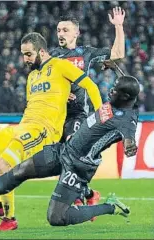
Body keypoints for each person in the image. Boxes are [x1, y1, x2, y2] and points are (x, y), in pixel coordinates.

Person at [0, 75, 139, 227]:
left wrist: (129, 145)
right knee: (18, 171)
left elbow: (129, 137)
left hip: (79, 166)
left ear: (126, 96)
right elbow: (125, 86)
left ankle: (110, 206)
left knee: (56, 218)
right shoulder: (120, 100)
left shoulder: (126, 120)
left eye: (115, 90)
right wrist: (114, 68)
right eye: (113, 88)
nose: (110, 91)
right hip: (64, 150)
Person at [0, 32, 102, 231]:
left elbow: (91, 86)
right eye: (23, 55)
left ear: (41, 51)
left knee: (2, 165)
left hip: (43, 131)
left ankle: (9, 219)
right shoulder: (32, 76)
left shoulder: (61, 65)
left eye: (28, 54)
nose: (25, 59)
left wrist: (98, 119)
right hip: (23, 127)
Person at [47, 7, 126, 212]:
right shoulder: (51, 56)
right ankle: (89, 194)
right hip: (56, 116)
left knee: (72, 153)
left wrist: (118, 26)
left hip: (78, 115)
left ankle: (74, 198)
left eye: (65, 30)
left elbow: (117, 54)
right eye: (58, 30)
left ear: (76, 33)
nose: (60, 34)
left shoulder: (86, 53)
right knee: (60, 160)